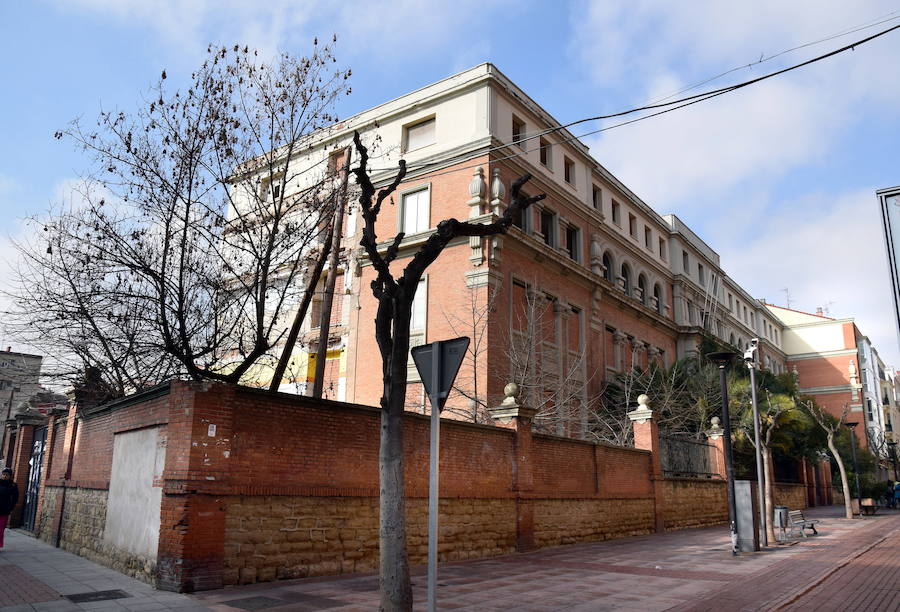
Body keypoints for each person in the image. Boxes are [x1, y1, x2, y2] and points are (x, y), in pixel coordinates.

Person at [0, 467, 18, 550]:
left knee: (1, 529)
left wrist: (11, 507)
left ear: (10, 476)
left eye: (6, 475)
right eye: (3, 474)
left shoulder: (13, 485)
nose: (4, 476)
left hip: (4, 510)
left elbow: (15, 498)